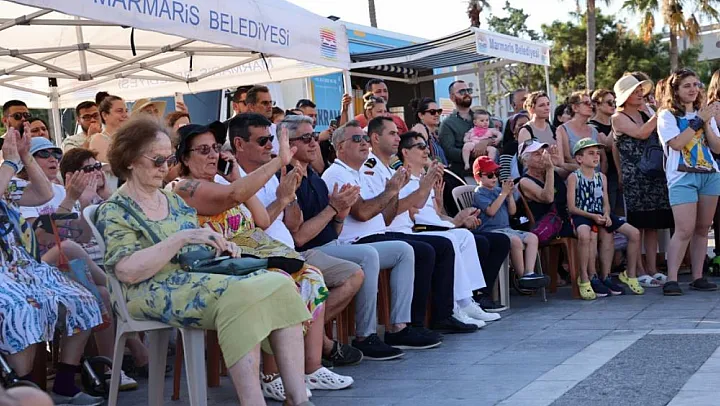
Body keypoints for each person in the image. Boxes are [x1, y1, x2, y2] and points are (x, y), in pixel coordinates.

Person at [95, 116, 313, 406]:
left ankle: (298, 398)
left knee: (279, 283)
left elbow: (194, 246)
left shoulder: (171, 200)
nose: (165, 167)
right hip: (147, 289)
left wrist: (219, 246)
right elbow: (127, 271)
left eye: (168, 159)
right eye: (157, 160)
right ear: (131, 160)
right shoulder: (116, 209)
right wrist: (180, 239)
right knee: (241, 295)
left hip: (192, 277)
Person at [171, 117, 344, 401]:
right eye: (203, 150)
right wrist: (278, 162)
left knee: (310, 276)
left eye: (215, 148)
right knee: (282, 282)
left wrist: (236, 177)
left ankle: (309, 368)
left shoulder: (227, 184)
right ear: (185, 158)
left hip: (252, 255)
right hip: (222, 264)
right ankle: (271, 375)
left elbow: (261, 220)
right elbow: (233, 195)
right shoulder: (184, 187)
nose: (213, 155)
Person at [277, 115, 437, 361]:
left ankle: (399, 327)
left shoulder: (317, 178)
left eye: (314, 136)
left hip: (333, 244)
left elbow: (348, 226)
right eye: (306, 138)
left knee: (405, 251)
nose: (313, 142)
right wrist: (335, 209)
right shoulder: (301, 177)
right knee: (370, 255)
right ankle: (365, 335)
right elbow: (300, 237)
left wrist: (339, 216)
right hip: (315, 250)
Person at [228, 114, 368, 367]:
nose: (270, 146)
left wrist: (290, 197)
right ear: (239, 144)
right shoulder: (233, 181)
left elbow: (293, 224)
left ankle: (307, 343)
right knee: (309, 280)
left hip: (292, 253)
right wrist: (286, 199)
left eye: (271, 140)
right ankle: (317, 349)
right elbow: (259, 226)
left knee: (353, 274)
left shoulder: (278, 175)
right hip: (268, 258)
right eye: (263, 141)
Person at [323, 119, 476, 333]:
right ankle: (407, 325)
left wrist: (404, 190)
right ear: (340, 147)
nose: (364, 143)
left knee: (440, 246)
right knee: (423, 249)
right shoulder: (340, 173)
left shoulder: (359, 172)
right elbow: (363, 213)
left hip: (378, 233)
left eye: (365, 138)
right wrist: (393, 190)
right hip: (357, 240)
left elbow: (385, 216)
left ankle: (442, 315)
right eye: (357, 139)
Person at [0, 126, 105, 406]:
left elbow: (44, 193)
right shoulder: (5, 173)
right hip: (4, 274)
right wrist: (10, 163)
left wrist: (25, 155)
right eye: (42, 154)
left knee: (82, 299)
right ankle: (28, 393)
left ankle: (65, 384)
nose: (51, 159)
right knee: (22, 309)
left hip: (22, 266)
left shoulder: (7, 179)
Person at [395, 131, 502, 322]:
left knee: (466, 236)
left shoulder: (424, 179)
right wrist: (451, 223)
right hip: (420, 230)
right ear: (405, 152)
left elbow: (436, 214)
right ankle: (455, 305)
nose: (426, 151)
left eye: (426, 146)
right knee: (453, 239)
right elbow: (412, 215)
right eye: (420, 147)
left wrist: (456, 218)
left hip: (435, 226)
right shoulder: (403, 180)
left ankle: (467, 301)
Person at [657, 68, 720, 296]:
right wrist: (697, 121)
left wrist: (706, 123)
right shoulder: (667, 115)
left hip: (709, 173)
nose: (693, 89)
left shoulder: (704, 113)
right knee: (684, 228)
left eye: (696, 84)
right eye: (687, 86)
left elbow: (717, 147)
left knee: (703, 228)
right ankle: (671, 279)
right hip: (682, 176)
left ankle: (698, 276)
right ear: (675, 90)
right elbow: (676, 143)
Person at [612, 73, 674, 288]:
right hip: (635, 177)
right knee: (637, 226)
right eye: (635, 91)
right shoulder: (618, 117)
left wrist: (654, 112)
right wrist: (659, 112)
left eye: (641, 90)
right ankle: (637, 270)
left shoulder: (645, 111)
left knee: (653, 224)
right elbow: (640, 133)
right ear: (625, 95)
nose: (640, 94)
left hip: (654, 174)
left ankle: (652, 268)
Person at [567, 138, 643, 300]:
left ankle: (629, 274)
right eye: (591, 153)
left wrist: (607, 214)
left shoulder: (601, 177)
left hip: (599, 214)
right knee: (584, 234)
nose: (596, 156)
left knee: (634, 233)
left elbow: (605, 202)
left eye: (597, 153)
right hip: (583, 214)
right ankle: (585, 277)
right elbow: (572, 207)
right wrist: (592, 216)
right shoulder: (574, 177)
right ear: (579, 158)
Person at [473, 156, 546, 290]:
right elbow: (491, 211)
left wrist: (510, 195)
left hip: (507, 228)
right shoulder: (479, 193)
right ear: (478, 177)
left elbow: (512, 211)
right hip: (491, 231)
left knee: (532, 237)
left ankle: (529, 273)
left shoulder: (498, 190)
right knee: (515, 241)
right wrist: (503, 194)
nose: (494, 178)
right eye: (490, 175)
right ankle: (521, 277)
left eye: (496, 174)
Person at [556, 92, 604, 173]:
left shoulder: (594, 131)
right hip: (576, 177)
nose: (591, 106)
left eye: (591, 103)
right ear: (575, 107)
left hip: (597, 178)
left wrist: (600, 177)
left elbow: (603, 159)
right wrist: (587, 171)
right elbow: (567, 158)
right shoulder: (562, 129)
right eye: (586, 103)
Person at [589, 89, 621, 212]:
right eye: (609, 102)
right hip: (608, 175)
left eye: (614, 102)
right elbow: (606, 144)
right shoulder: (592, 126)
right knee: (611, 212)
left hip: (622, 171)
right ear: (597, 105)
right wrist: (617, 123)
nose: (613, 106)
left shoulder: (616, 122)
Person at [88, 95, 128, 163]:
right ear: (105, 115)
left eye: (126, 111)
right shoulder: (98, 139)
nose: (125, 115)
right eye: (119, 111)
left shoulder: (130, 136)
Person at [245, 85, 280, 154]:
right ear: (251, 107)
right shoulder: (240, 129)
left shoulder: (277, 129)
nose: (270, 106)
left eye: (271, 102)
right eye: (265, 103)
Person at [498, 112, 530, 181]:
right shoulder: (509, 148)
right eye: (521, 125)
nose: (525, 127)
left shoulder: (536, 143)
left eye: (527, 124)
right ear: (513, 129)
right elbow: (505, 174)